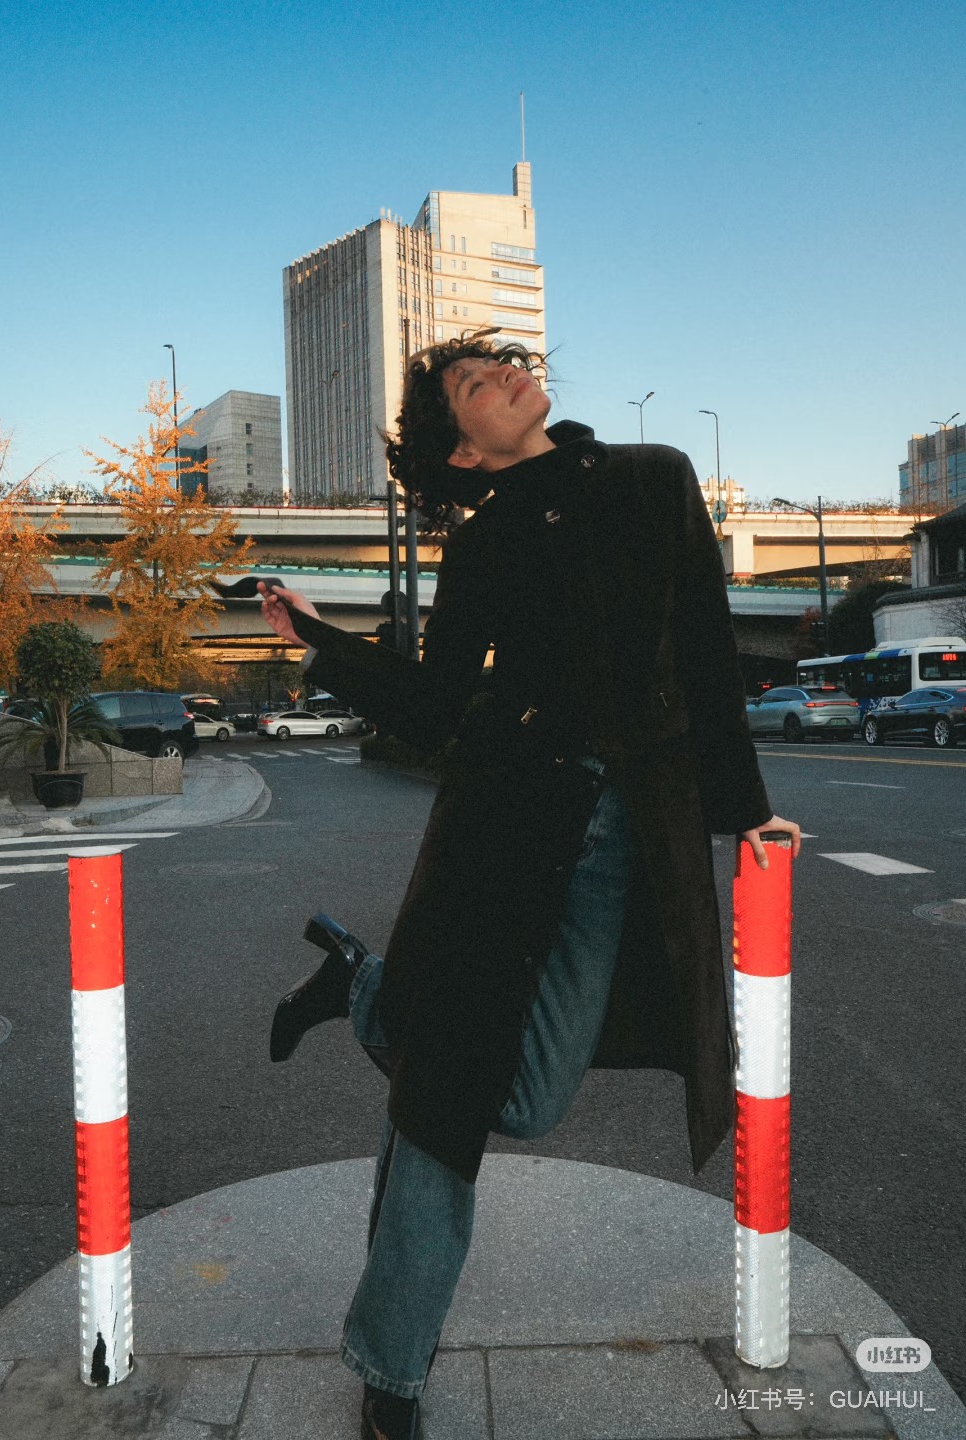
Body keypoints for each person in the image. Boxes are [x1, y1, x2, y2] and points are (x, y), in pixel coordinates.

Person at [258, 334, 801, 1440]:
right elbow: (437, 705)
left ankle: (363, 986)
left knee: (535, 1098)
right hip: (500, 829)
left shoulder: (655, 478)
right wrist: (320, 642)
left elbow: (705, 649)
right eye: (474, 384)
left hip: (622, 834)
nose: (506, 374)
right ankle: (392, 1370)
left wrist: (744, 809)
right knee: (447, 1094)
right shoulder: (486, 541)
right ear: (465, 454)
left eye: (502, 362)